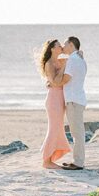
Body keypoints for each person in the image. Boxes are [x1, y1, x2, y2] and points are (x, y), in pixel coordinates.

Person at [38, 39, 71, 169]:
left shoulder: (59, 60)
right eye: (58, 46)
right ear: (52, 48)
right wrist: (63, 66)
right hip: (53, 99)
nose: (61, 47)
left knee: (58, 129)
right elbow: (56, 82)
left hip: (60, 98)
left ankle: (50, 159)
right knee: (53, 129)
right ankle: (46, 161)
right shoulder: (49, 63)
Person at [60, 36, 88, 171]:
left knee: (77, 133)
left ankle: (78, 162)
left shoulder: (72, 59)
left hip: (74, 100)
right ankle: (77, 160)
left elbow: (66, 79)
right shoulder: (79, 59)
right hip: (78, 99)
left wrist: (53, 82)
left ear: (71, 45)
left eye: (65, 44)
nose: (63, 47)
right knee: (77, 132)